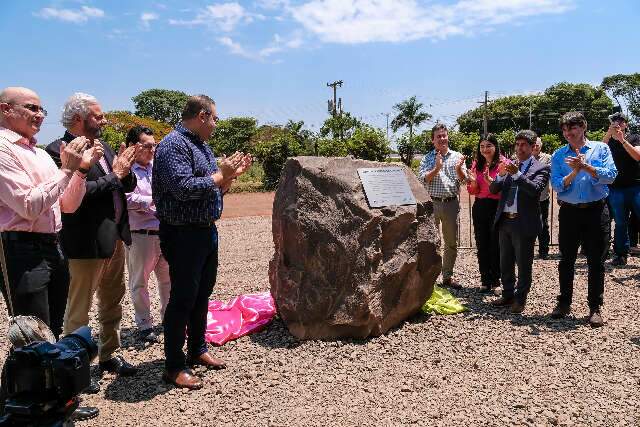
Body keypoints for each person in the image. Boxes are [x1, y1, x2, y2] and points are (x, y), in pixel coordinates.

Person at [0, 86, 100, 422]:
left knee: (52, 330)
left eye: (42, 109)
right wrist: (66, 169)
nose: (40, 115)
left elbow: (67, 205)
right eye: (31, 108)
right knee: (30, 334)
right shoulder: (3, 149)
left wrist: (80, 171)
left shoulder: (41, 154)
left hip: (51, 244)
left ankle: (56, 403)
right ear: (5, 110)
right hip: (19, 246)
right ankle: (18, 408)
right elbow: (28, 206)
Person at [153, 95, 252, 390]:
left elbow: (212, 189)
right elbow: (183, 188)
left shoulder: (202, 147)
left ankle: (197, 349)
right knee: (182, 298)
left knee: (202, 295)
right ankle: (173, 365)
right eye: (215, 118)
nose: (216, 124)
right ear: (201, 115)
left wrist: (228, 178)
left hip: (205, 231)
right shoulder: (173, 145)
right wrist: (221, 173)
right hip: (182, 233)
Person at [46, 93, 139, 381]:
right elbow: (73, 198)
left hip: (114, 240)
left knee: (112, 302)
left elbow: (126, 183)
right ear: (78, 118)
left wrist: (125, 171)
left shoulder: (105, 146)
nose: (104, 120)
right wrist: (115, 175)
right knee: (79, 310)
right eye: (97, 116)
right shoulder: (57, 150)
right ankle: (76, 368)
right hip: (84, 243)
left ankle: (110, 354)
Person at [550, 111, 617, 327]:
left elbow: (611, 176)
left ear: (584, 127)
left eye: (573, 127)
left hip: (596, 211)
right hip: (570, 212)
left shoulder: (601, 148)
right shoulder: (559, 155)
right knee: (566, 259)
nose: (568, 132)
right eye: (565, 129)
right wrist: (574, 172)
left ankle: (595, 307)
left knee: (596, 261)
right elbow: (557, 185)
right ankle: (564, 302)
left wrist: (586, 167)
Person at [489, 130, 550, 313]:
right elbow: (493, 190)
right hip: (506, 220)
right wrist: (499, 175)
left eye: (524, 145)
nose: (519, 148)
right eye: (517, 145)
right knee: (505, 262)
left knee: (524, 264)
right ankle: (508, 295)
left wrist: (517, 174)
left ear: (533, 147)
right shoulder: (509, 165)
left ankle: (520, 299)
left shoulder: (541, 167)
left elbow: (535, 190)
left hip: (524, 223)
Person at [124, 126, 170, 343]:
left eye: (155, 145)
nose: (153, 150)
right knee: (139, 282)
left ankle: (169, 320)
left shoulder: (158, 167)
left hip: (165, 231)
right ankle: (144, 325)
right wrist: (152, 201)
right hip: (140, 235)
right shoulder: (125, 170)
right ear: (134, 146)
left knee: (168, 280)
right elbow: (123, 198)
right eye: (148, 145)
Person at [418, 123, 467, 289]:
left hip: (451, 203)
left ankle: (447, 276)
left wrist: (459, 169)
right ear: (433, 140)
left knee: (451, 242)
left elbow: (465, 181)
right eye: (438, 136)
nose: (442, 139)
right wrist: (437, 168)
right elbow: (423, 180)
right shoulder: (427, 158)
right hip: (432, 204)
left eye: (444, 135)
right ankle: (428, 279)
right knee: (430, 242)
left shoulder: (457, 156)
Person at [466, 134, 505, 293]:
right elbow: (472, 190)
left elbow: (505, 190)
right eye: (482, 146)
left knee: (496, 243)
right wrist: (473, 182)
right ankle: (485, 279)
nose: (485, 149)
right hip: (480, 205)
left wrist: (491, 181)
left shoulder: (504, 164)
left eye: (488, 145)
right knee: (481, 242)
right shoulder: (477, 164)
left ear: (495, 146)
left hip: (497, 206)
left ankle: (496, 280)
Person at [602, 111, 640, 266]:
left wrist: (622, 141)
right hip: (616, 187)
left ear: (626, 124)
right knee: (620, 222)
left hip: (636, 185)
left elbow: (637, 156)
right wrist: (608, 134)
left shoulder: (634, 137)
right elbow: (598, 153)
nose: (618, 123)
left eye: (621, 120)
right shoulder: (609, 141)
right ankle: (620, 254)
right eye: (615, 120)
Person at [532, 137, 552, 259]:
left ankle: (544, 251)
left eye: (537, 145)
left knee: (543, 224)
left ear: (541, 146)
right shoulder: (523, 157)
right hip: (527, 198)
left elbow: (547, 173)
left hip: (542, 197)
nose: (534, 148)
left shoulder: (548, 158)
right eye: (532, 145)